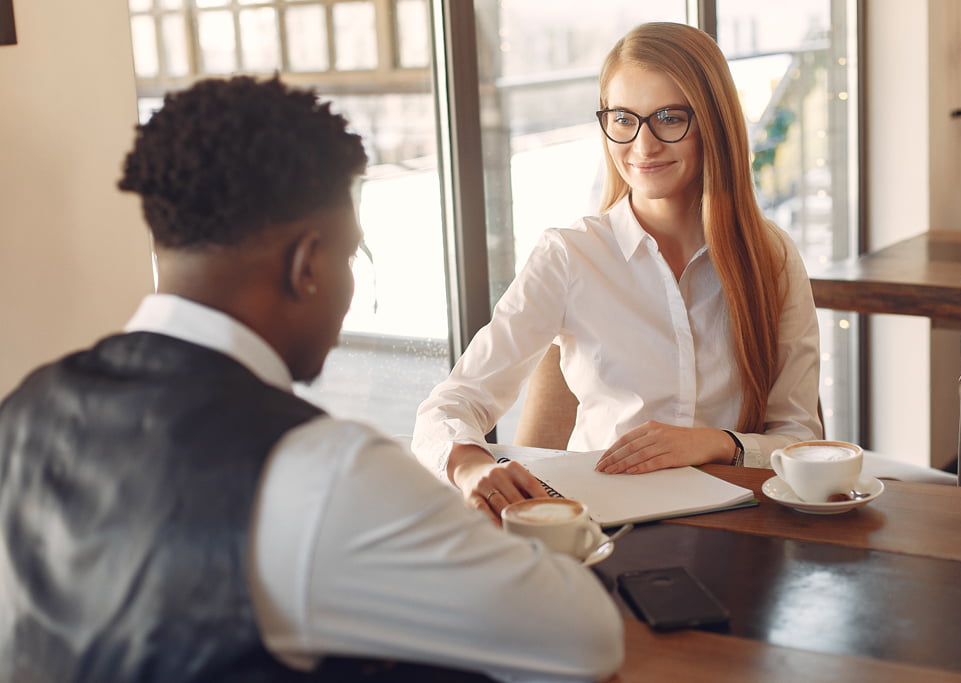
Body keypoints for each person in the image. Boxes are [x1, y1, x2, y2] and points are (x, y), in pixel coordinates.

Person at [0, 76, 622, 683]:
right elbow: (586, 639)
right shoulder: (324, 471)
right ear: (307, 264)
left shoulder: (22, 413)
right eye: (354, 255)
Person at [412, 22, 823, 522]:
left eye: (670, 117)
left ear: (714, 123)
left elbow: (801, 438)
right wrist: (472, 465)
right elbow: (450, 405)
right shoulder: (569, 256)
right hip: (601, 526)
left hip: (741, 527)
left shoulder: (772, 257)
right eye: (624, 118)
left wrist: (713, 444)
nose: (643, 145)